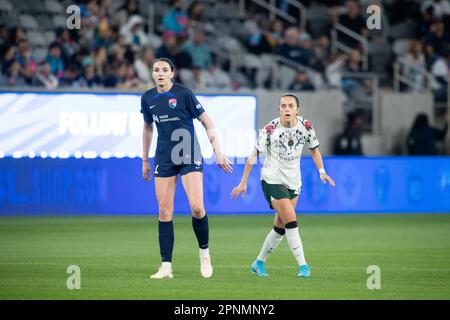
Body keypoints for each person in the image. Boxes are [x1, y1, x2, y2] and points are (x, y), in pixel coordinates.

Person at [141, 58, 233, 279]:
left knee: (197, 207)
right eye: (156, 70)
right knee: (164, 211)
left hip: (189, 153)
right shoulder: (148, 98)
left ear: (172, 73)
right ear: (152, 74)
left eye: (165, 70)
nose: (160, 73)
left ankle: (204, 254)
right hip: (164, 157)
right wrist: (144, 159)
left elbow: (207, 123)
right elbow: (147, 128)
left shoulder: (184, 94)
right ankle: (166, 267)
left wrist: (218, 151)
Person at [231, 94, 335, 278]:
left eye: (290, 106)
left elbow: (314, 149)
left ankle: (258, 262)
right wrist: (243, 181)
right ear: (279, 109)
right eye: (283, 106)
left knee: (280, 225)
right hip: (272, 179)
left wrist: (321, 171)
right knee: (291, 218)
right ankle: (303, 266)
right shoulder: (270, 129)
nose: (287, 109)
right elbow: (253, 154)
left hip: (294, 182)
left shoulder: (306, 126)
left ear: (297, 109)